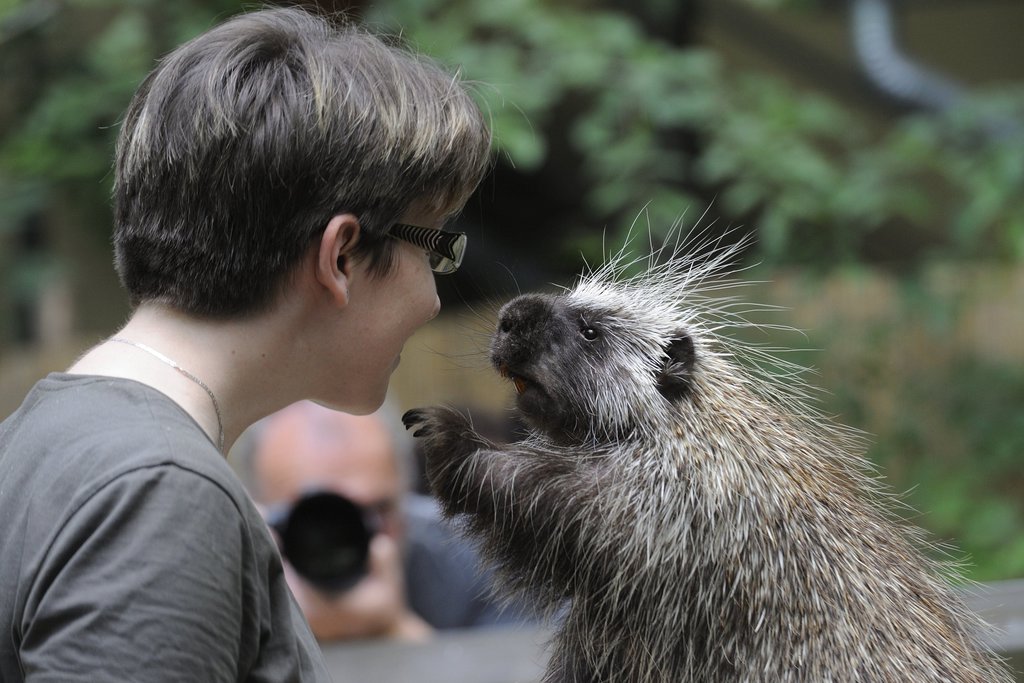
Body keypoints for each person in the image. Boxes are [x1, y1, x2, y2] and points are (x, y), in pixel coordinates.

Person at [0, 6, 491, 682]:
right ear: (341, 255)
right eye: (433, 246)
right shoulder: (161, 495)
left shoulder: (47, 443)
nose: (434, 300)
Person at [234, 402, 526, 643]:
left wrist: (396, 631)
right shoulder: (228, 575)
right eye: (314, 516)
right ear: (261, 515)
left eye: (376, 510)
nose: (346, 534)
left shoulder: (485, 558)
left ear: (405, 495)